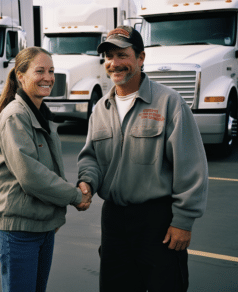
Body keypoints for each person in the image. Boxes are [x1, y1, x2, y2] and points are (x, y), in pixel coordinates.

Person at [77, 26, 208, 292]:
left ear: (140, 58)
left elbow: (191, 166)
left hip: (158, 221)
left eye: (122, 55)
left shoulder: (169, 103)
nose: (115, 63)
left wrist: (183, 221)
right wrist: (87, 182)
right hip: (113, 221)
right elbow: (91, 157)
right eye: (109, 56)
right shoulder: (101, 109)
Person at [0, 46, 91, 292]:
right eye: (40, 71)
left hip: (42, 226)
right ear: (20, 76)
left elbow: (50, 168)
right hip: (19, 232)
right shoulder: (16, 116)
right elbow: (31, 176)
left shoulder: (41, 114)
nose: (48, 77)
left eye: (51, 71)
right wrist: (76, 196)